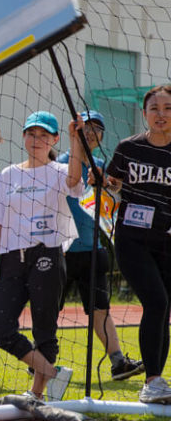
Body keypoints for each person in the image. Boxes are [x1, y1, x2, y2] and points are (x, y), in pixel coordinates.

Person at [0, 111, 84, 402]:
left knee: (44, 328)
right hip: (11, 258)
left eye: (43, 135)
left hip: (47, 253)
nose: (36, 140)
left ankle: (37, 393)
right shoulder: (8, 174)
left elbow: (75, 183)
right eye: (31, 133)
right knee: (0, 328)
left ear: (54, 140)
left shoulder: (59, 170)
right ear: (23, 137)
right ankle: (52, 373)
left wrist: (75, 140)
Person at [56, 110, 144, 381]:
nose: (91, 133)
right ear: (76, 131)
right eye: (86, 127)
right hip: (60, 249)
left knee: (100, 309)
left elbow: (113, 197)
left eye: (97, 129)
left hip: (92, 249)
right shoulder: (60, 164)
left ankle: (118, 363)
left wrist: (106, 183)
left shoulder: (101, 165)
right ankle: (40, 359)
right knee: (49, 309)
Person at [102, 86, 171, 403]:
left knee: (164, 308)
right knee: (156, 301)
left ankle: (157, 383)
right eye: (154, 108)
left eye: (168, 108)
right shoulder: (128, 148)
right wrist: (103, 181)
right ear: (144, 113)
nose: (161, 114)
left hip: (166, 241)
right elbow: (113, 185)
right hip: (132, 239)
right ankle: (152, 382)